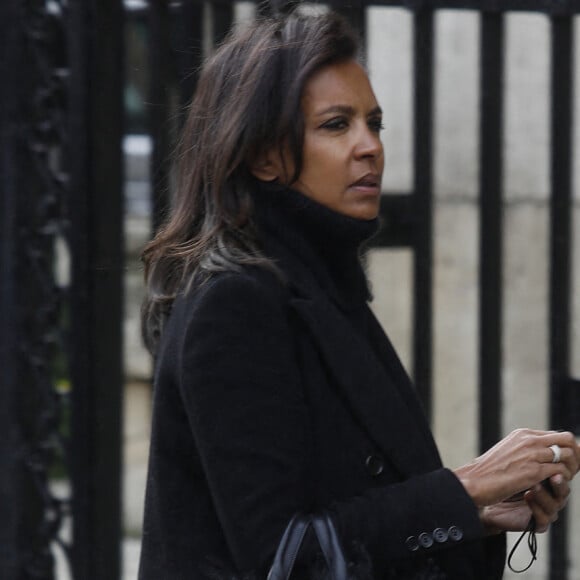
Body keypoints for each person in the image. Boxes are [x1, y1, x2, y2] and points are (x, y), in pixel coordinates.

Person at [138, 9, 580, 579]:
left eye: (374, 122)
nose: (370, 146)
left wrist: (480, 511)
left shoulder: (322, 288)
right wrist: (464, 488)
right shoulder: (235, 304)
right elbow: (282, 557)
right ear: (264, 156)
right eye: (335, 125)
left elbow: (355, 518)